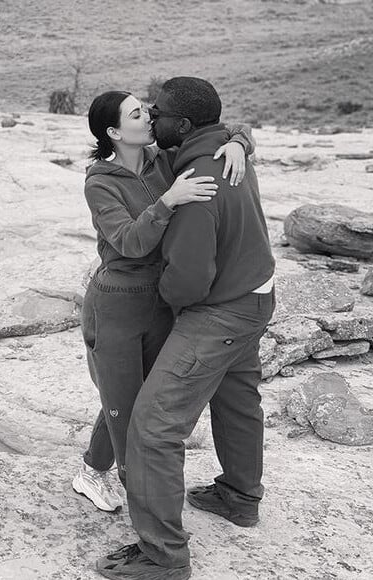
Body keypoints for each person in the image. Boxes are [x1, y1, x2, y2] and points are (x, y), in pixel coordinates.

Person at [95, 77, 275, 580]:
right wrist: (240, 140)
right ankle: (239, 497)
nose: (152, 116)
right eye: (143, 111)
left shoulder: (196, 179)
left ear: (186, 125)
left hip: (218, 313)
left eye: (160, 111)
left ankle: (162, 558)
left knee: (152, 429)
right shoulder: (218, 151)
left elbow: (189, 279)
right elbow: (231, 129)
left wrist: (171, 304)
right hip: (256, 296)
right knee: (238, 397)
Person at [72, 89, 256, 514]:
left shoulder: (163, 158)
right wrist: (168, 200)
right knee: (124, 406)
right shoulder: (100, 183)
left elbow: (233, 128)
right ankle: (139, 511)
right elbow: (129, 242)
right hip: (116, 304)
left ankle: (89, 470)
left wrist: (236, 144)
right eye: (138, 113)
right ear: (116, 131)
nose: (150, 115)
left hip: (161, 302)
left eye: (148, 109)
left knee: (140, 399)